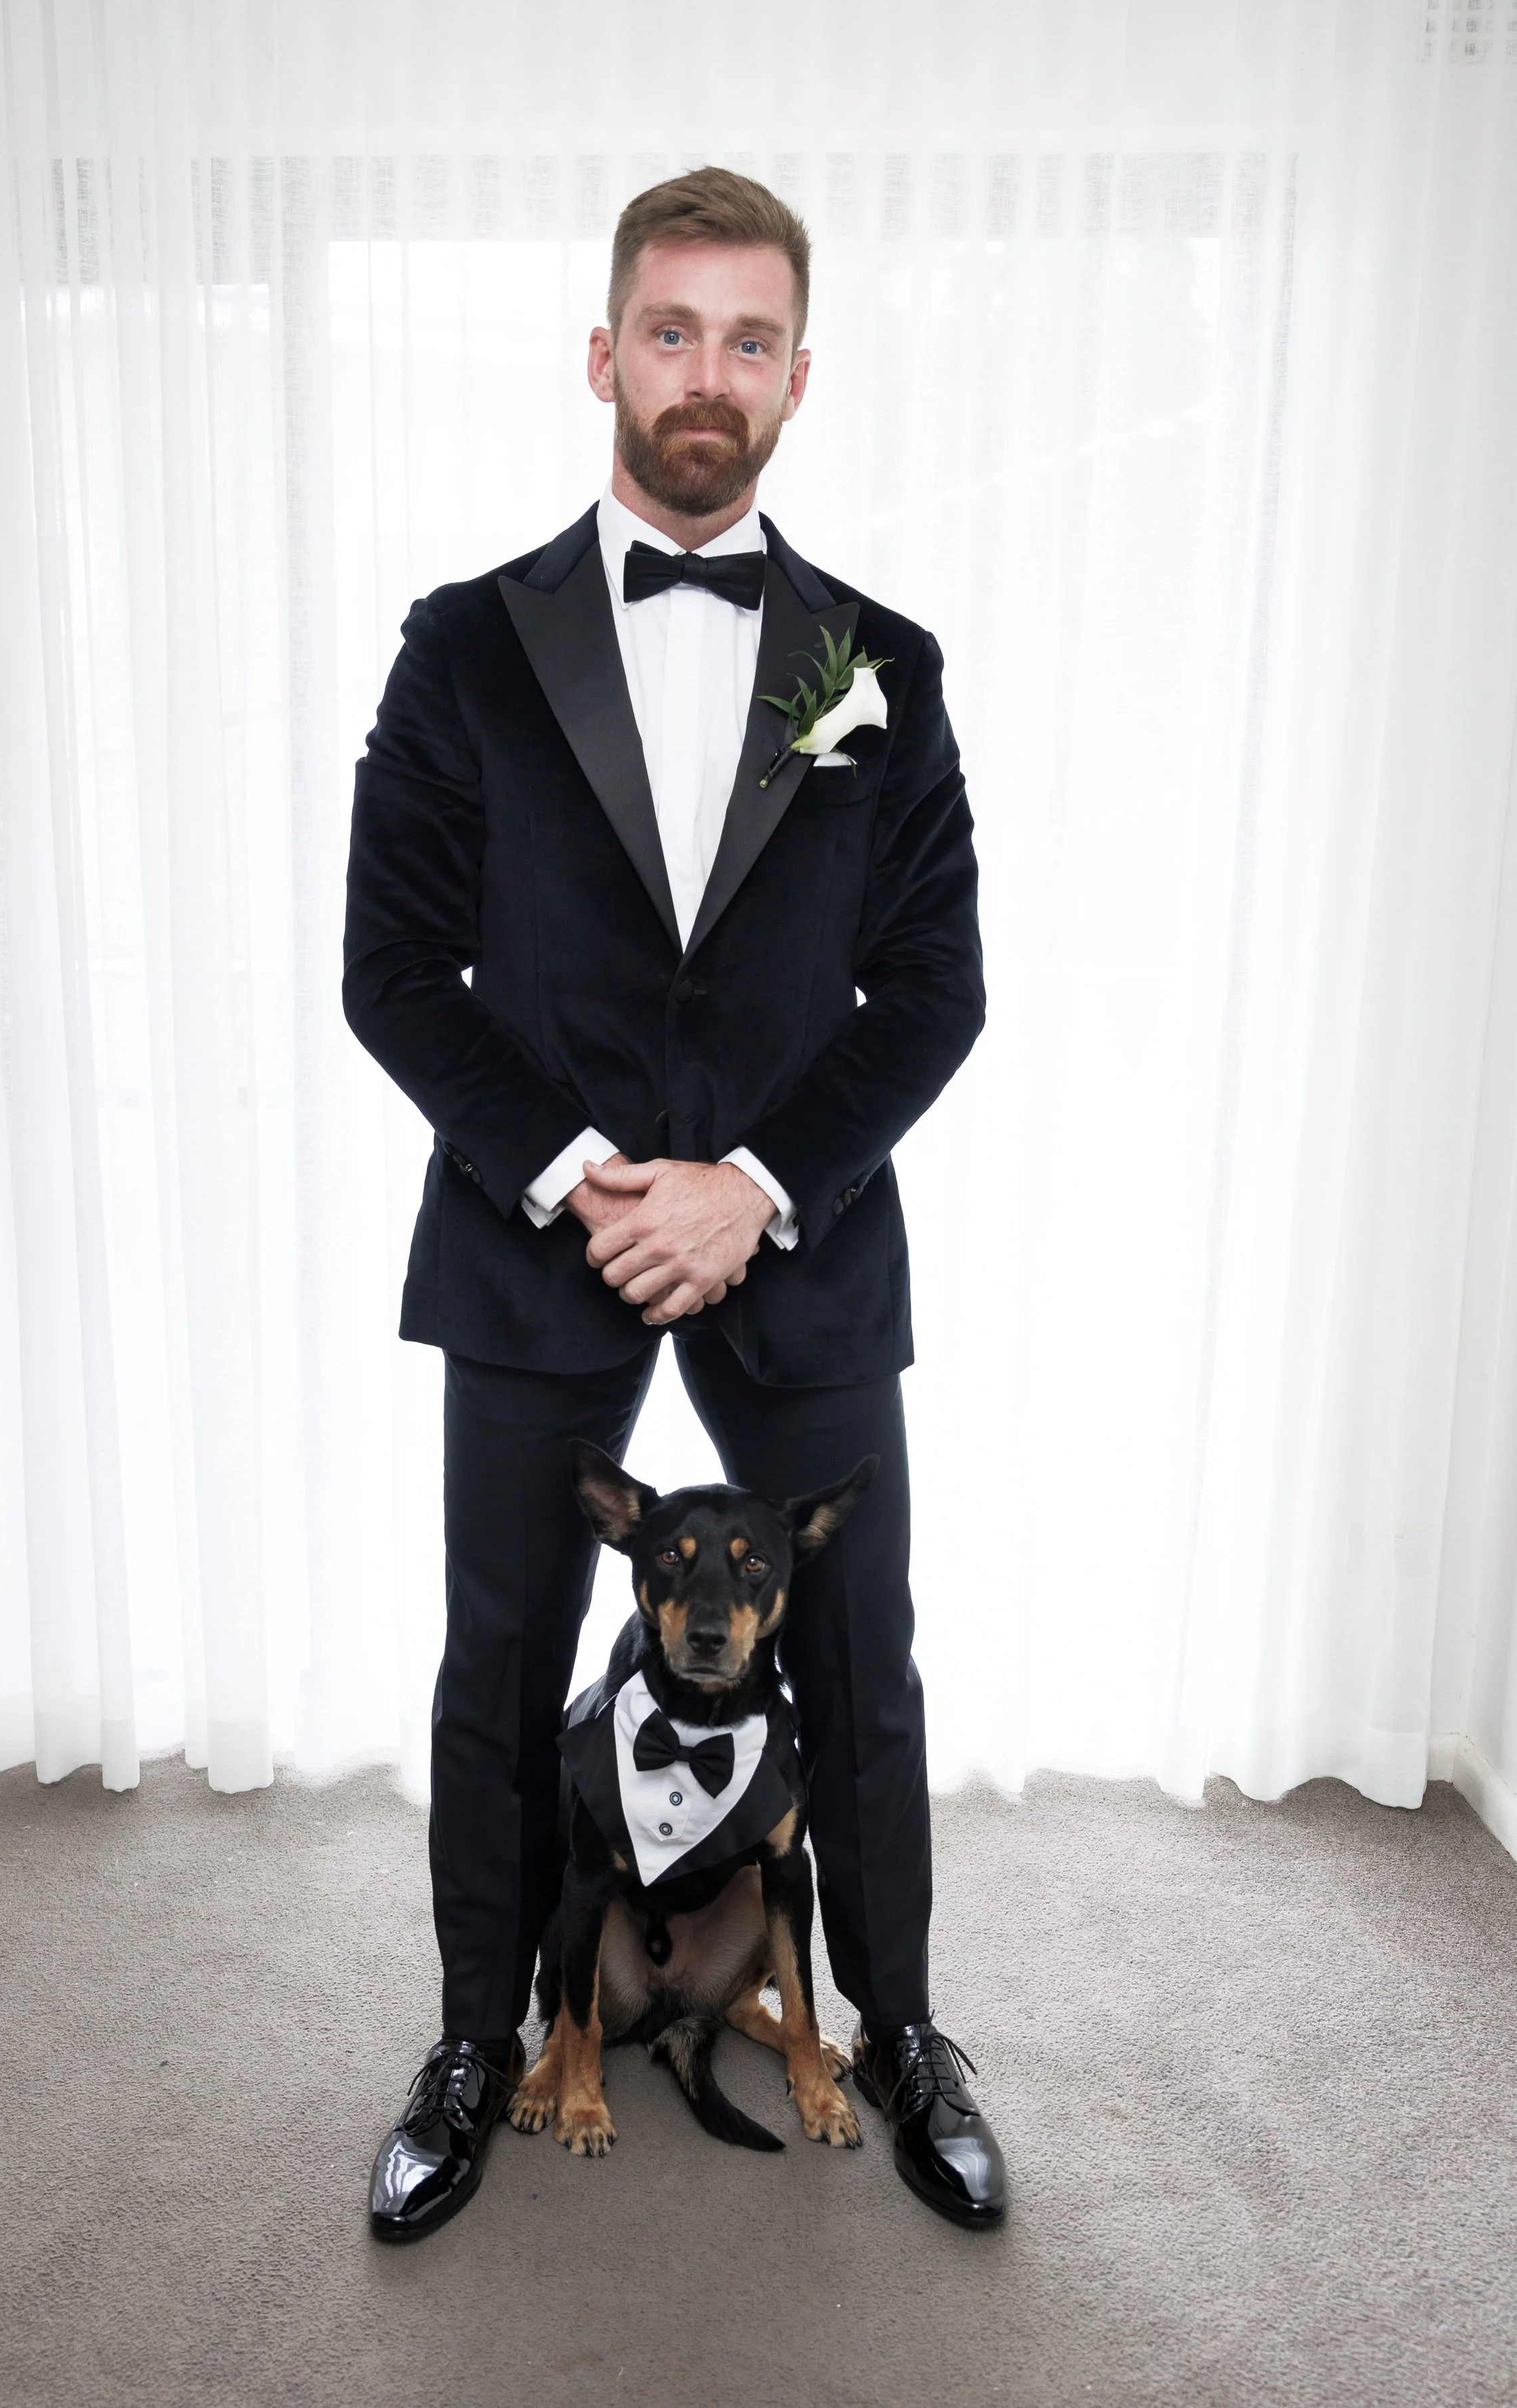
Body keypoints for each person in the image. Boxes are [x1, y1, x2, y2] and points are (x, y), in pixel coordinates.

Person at [343, 167, 1004, 2240]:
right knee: (499, 1658)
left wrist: (754, 1188)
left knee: (864, 1668)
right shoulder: (465, 646)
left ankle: (899, 2028)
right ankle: (476, 2039)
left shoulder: (878, 663)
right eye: (668, 328)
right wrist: (582, 1175)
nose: (704, 372)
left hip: (797, 1244)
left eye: (747, 337)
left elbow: (934, 986)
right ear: (601, 353)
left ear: (798, 377)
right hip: (533, 1237)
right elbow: (392, 969)